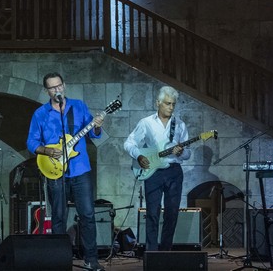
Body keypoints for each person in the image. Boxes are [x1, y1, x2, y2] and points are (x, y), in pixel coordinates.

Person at [27, 72, 105, 271]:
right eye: (52, 88)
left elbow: (95, 134)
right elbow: (31, 142)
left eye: (59, 85)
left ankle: (91, 260)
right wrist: (46, 150)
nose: (57, 90)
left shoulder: (78, 106)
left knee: (87, 215)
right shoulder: (40, 114)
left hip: (80, 169)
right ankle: (60, 261)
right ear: (47, 91)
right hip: (55, 172)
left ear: (64, 85)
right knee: (59, 217)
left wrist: (97, 127)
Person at [124, 86, 190, 253]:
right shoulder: (146, 123)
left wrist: (182, 152)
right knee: (152, 213)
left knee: (172, 213)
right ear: (158, 103)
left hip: (174, 171)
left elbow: (188, 153)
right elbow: (129, 143)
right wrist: (139, 156)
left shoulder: (180, 125)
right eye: (167, 103)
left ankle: (166, 251)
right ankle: (151, 252)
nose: (171, 107)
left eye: (173, 104)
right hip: (153, 172)